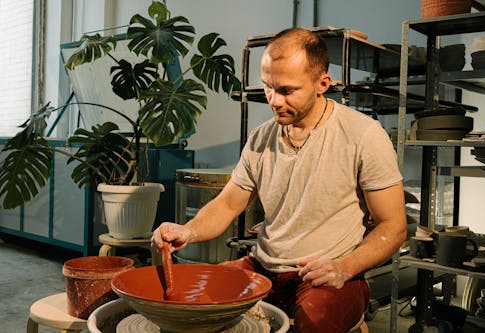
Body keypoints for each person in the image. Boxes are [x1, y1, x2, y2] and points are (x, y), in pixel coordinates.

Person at [151, 27, 407, 333]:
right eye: (268, 87)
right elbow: (228, 203)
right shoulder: (262, 138)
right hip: (263, 267)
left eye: (286, 90)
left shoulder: (363, 135)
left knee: (314, 323)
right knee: (195, 303)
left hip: (329, 276)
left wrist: (343, 268)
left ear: (322, 83)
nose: (273, 100)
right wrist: (187, 231)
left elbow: (393, 227)